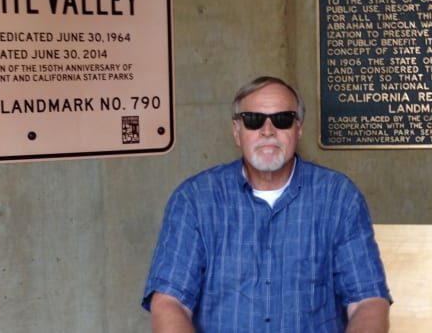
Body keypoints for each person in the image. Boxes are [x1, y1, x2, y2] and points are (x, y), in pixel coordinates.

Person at [142, 76, 391, 332]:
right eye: (254, 120)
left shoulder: (339, 197)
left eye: (282, 119)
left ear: (299, 128)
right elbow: (170, 302)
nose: (268, 131)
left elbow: (367, 301)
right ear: (237, 131)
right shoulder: (194, 199)